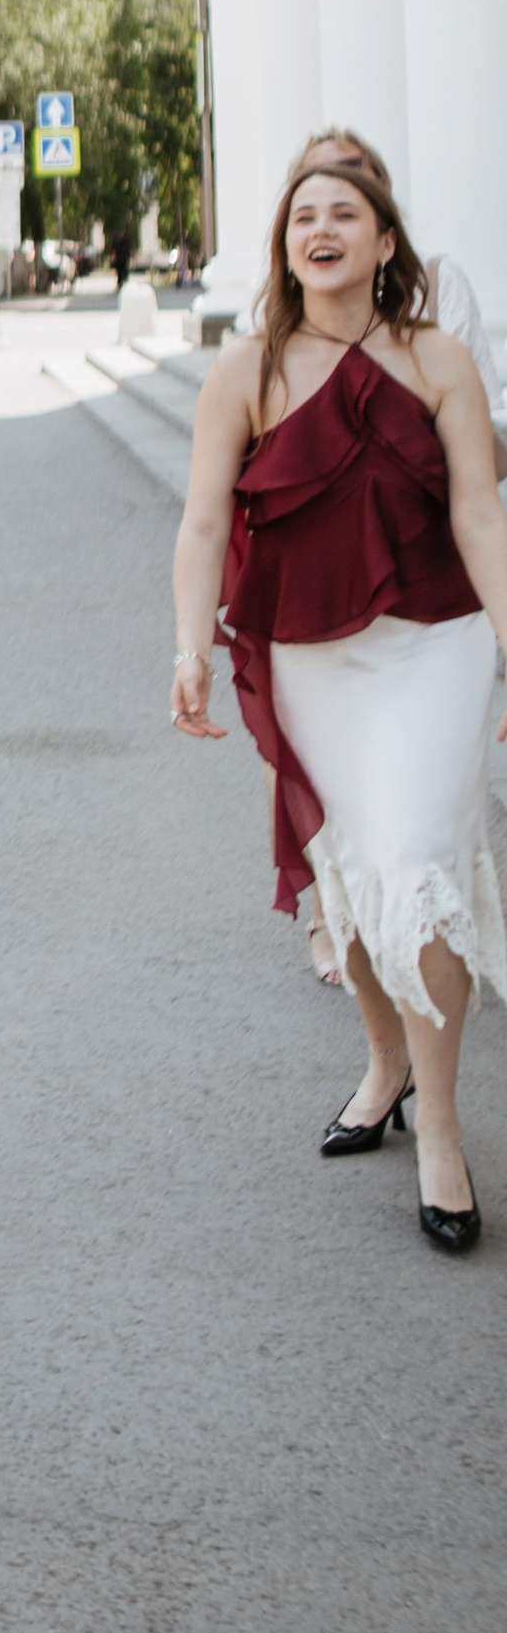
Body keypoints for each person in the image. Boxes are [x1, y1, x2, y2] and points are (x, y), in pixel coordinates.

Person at [170, 146, 507, 1255]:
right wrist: (189, 649)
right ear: (284, 245)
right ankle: (384, 1063)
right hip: (312, 655)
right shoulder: (247, 369)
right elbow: (205, 525)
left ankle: (445, 1131)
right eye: (302, 214)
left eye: (344, 213)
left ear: (384, 241)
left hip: (435, 644)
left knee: (416, 857)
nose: (321, 228)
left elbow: (482, 520)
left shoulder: (439, 359)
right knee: (349, 876)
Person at [275, 131, 505, 980]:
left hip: (434, 599)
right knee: (353, 832)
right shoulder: (272, 344)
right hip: (327, 617)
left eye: (351, 195)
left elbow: (484, 485)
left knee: (417, 834)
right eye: (307, 204)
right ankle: (350, 955)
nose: (327, 219)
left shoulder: (441, 315)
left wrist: (434, 434)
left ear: (386, 220)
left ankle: (430, 1069)